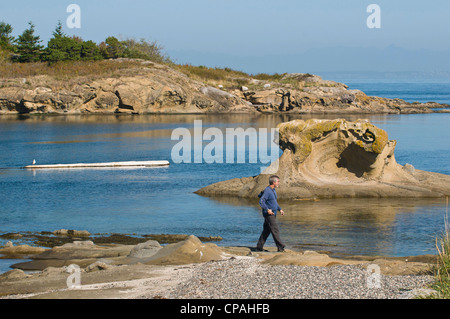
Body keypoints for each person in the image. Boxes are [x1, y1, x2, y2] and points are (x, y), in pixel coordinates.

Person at [256, 175, 286, 252]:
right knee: (275, 229)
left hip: (273, 213)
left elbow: (274, 202)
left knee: (266, 231)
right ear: (274, 182)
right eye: (278, 181)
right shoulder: (267, 191)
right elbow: (261, 201)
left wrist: (280, 209)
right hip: (269, 214)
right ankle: (280, 247)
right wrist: (267, 209)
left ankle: (259, 246)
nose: (279, 183)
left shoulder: (273, 190)